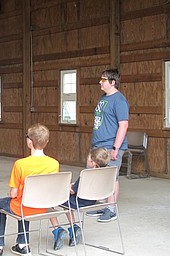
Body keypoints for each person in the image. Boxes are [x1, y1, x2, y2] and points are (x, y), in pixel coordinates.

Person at [0, 123, 59, 256]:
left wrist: (12, 193)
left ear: (29, 142)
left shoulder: (20, 164)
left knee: (1, 203)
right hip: (43, 206)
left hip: (25, 207)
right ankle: (22, 244)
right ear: (46, 142)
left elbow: (13, 194)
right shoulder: (54, 163)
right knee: (25, 200)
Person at [49, 148, 111, 250]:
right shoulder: (106, 173)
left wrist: (66, 186)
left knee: (51, 198)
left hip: (79, 202)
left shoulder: (86, 174)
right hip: (93, 201)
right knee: (67, 201)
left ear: (92, 162)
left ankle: (58, 229)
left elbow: (72, 191)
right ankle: (73, 228)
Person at [88, 68, 129, 222]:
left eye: (103, 80)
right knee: (99, 176)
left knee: (111, 177)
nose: (100, 82)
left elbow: (123, 125)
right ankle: (103, 205)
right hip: (98, 143)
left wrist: (115, 148)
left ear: (112, 82)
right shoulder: (103, 98)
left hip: (110, 144)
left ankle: (111, 209)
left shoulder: (119, 100)